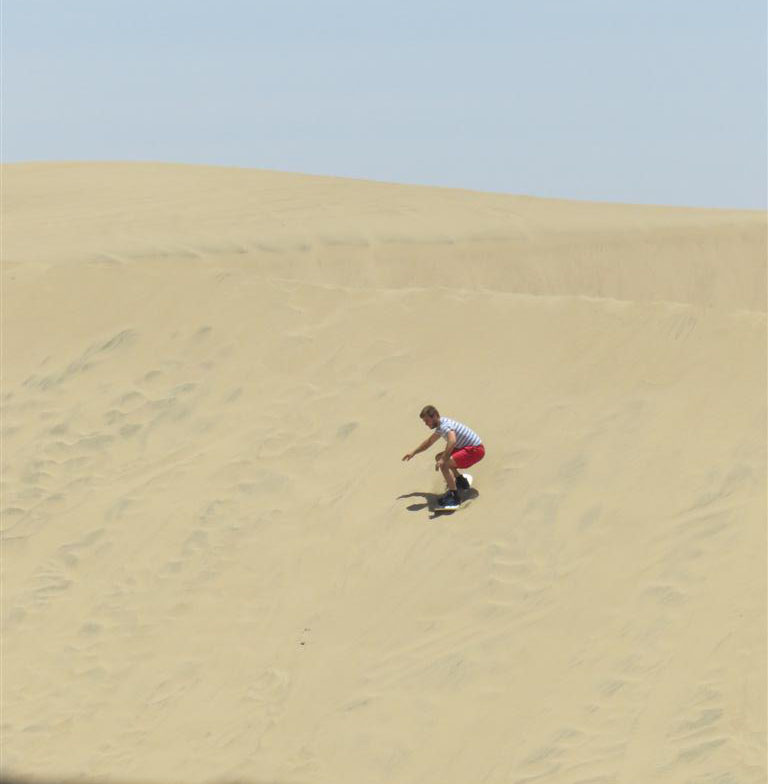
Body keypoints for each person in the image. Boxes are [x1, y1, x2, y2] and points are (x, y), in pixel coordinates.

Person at [402, 405, 485, 509]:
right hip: (469, 448)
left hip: (475, 451)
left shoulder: (445, 426)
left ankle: (454, 496)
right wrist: (414, 452)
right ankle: (460, 480)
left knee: (444, 462)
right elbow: (429, 442)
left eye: (427, 421)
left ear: (435, 416)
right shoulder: (441, 425)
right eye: (425, 422)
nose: (426, 424)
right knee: (439, 457)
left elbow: (452, 440)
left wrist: (444, 459)